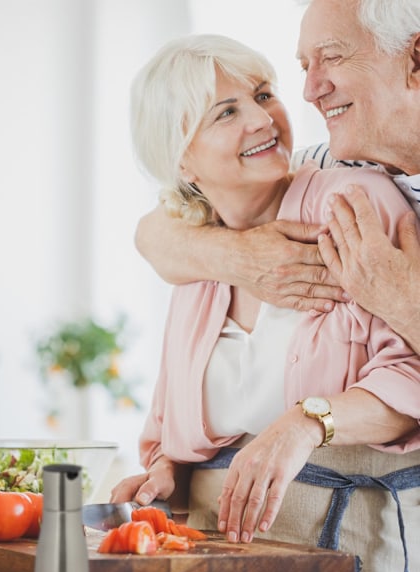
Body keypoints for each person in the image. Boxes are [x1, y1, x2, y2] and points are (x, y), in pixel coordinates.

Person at [111, 33, 420, 572]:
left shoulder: (353, 200)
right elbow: (166, 432)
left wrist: (309, 421)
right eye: (227, 112)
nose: (264, 118)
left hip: (347, 563)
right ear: (182, 157)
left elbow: (412, 374)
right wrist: (165, 479)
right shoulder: (194, 260)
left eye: (263, 93)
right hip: (221, 569)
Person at [134, 0, 420, 357]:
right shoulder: (334, 169)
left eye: (332, 57)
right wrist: (243, 256)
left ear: (416, 60)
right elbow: (153, 233)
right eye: (304, 67)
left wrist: (407, 309)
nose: (309, 90)